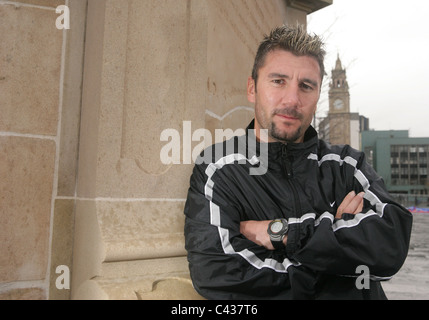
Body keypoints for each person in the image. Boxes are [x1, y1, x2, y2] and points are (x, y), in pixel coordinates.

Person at [184, 25, 413, 300]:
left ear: (318, 96)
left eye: (306, 86)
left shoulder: (347, 164)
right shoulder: (218, 170)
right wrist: (337, 255)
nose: (292, 100)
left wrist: (281, 233)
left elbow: (389, 247)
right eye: (278, 81)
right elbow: (219, 276)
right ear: (252, 88)